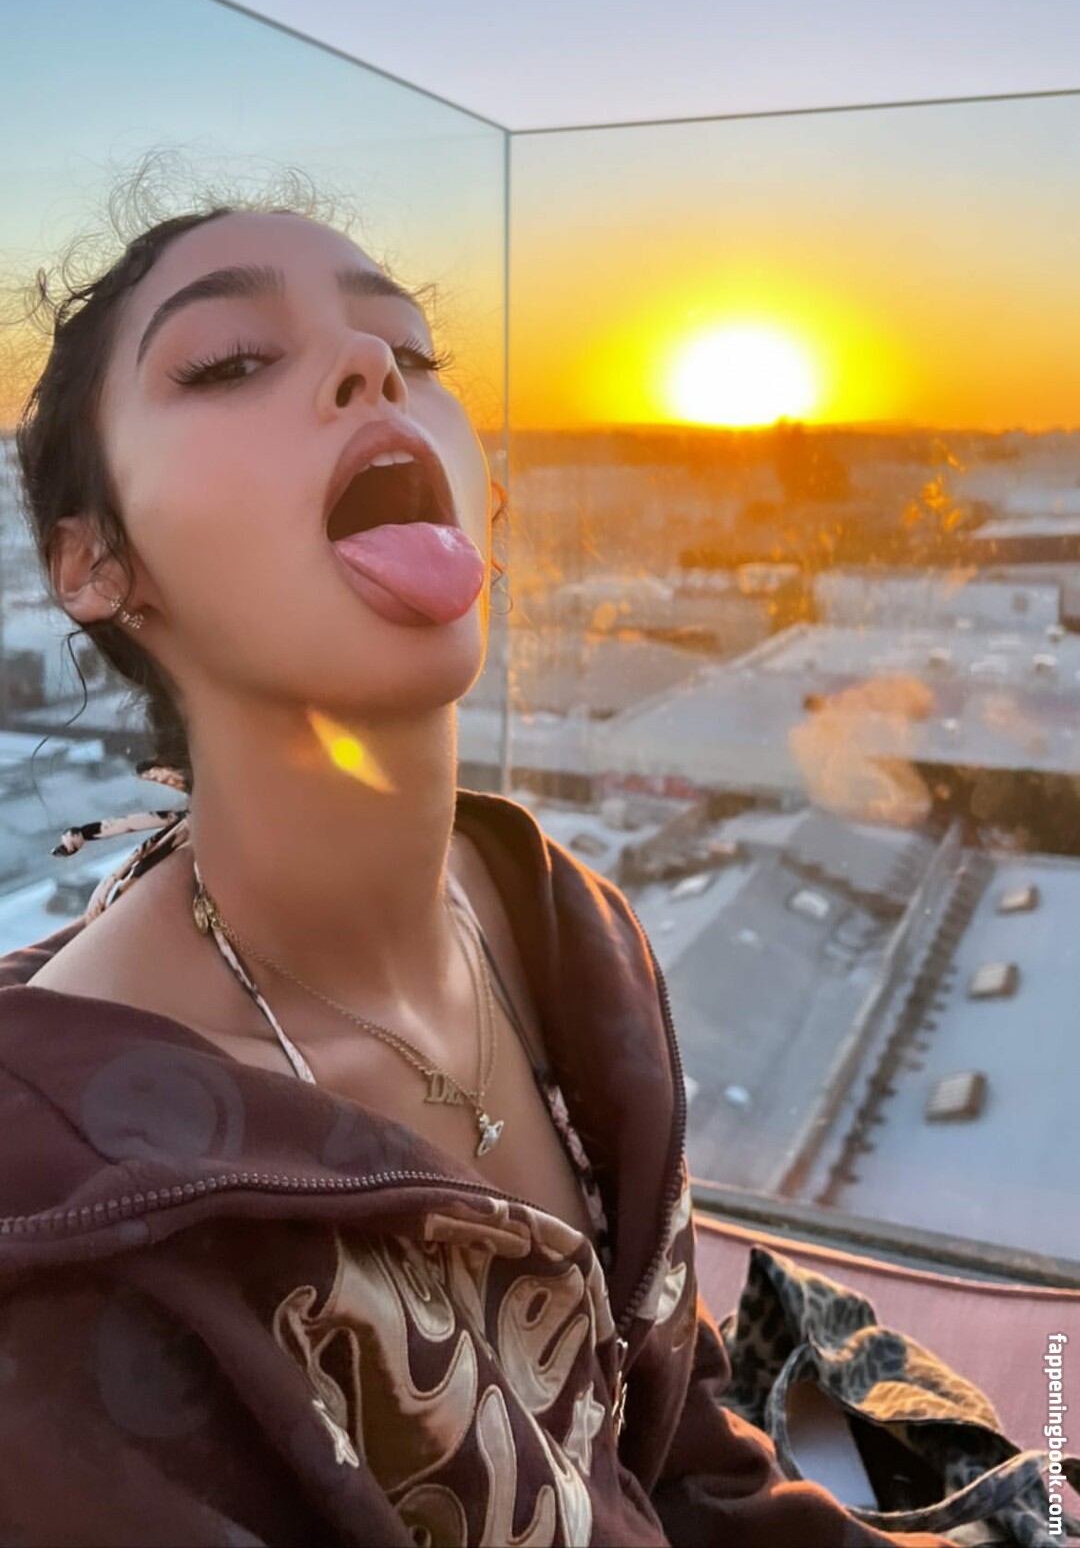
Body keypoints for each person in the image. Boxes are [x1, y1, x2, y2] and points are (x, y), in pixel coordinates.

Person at [0, 193, 955, 1545]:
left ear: (482, 504)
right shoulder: (74, 1237)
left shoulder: (566, 932)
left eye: (410, 351)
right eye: (230, 362)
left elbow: (670, 1453)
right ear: (95, 563)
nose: (371, 368)